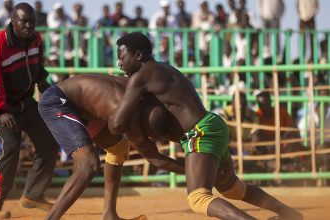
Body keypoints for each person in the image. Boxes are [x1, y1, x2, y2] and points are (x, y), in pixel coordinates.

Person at [108, 32, 303, 220]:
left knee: (198, 198)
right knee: (232, 188)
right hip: (214, 124)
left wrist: (106, 116)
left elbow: (116, 125)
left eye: (121, 56)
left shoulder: (140, 77)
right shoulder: (164, 68)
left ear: (138, 55)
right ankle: (289, 214)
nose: (119, 63)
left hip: (200, 132)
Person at [38, 74, 184, 220]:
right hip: (57, 101)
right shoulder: (124, 116)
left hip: (82, 106)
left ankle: (109, 215)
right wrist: (194, 174)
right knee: (88, 165)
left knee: (118, 147)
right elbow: (155, 158)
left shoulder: (148, 95)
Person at [0, 3, 59, 218]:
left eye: (32, 21)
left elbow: (37, 64)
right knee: (10, 147)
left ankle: (33, 194)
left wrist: (42, 81)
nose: (29, 25)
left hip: (24, 102)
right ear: (13, 21)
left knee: (49, 143)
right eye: (24, 21)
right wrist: (1, 111)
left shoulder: (36, 39)